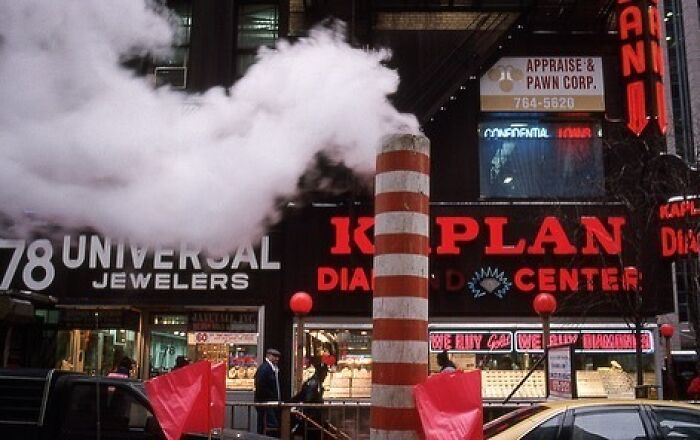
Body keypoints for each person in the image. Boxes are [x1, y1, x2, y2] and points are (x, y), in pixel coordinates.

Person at [291, 363, 329, 439]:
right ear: (320, 372)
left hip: (313, 415)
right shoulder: (313, 382)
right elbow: (307, 399)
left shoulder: (316, 382)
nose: (326, 375)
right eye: (325, 373)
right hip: (312, 416)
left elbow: (300, 396)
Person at [254, 348, 281, 436]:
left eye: (278, 357)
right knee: (271, 424)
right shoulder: (265, 368)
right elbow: (260, 385)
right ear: (268, 356)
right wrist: (271, 396)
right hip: (265, 402)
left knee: (264, 424)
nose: (277, 359)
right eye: (275, 356)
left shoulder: (272, 368)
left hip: (268, 401)